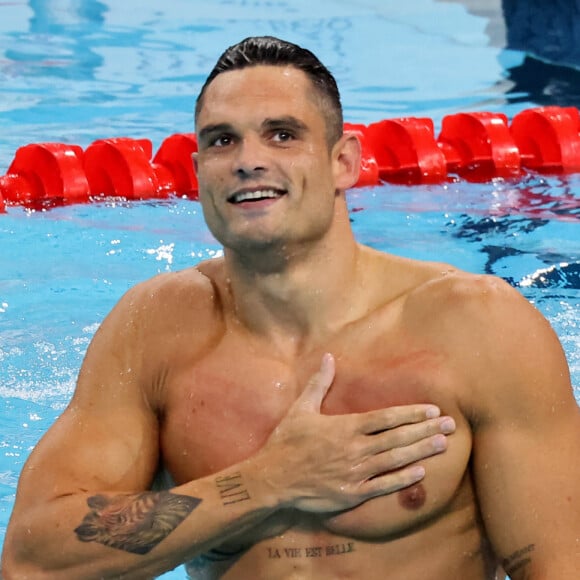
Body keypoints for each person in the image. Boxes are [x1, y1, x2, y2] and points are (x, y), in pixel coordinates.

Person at [2, 36, 579, 580]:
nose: (248, 160)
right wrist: (265, 482)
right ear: (199, 171)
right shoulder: (156, 329)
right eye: (221, 140)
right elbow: (31, 560)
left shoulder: (478, 327)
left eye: (282, 134)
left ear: (344, 162)